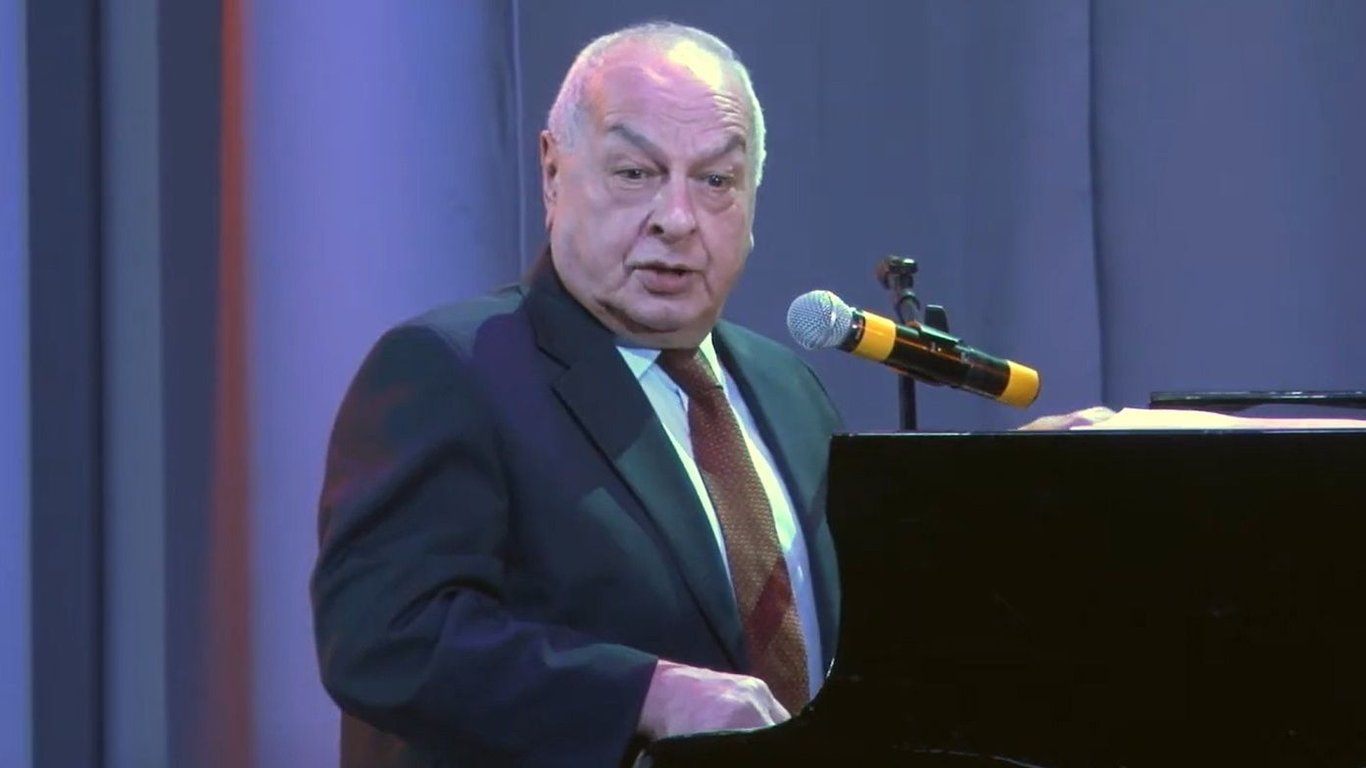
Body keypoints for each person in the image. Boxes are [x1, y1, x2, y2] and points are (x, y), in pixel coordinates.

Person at [312, 22, 842, 767]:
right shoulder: (454, 370)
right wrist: (646, 696)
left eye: (717, 181)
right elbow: (385, 638)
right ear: (553, 174)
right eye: (635, 172)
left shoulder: (789, 391)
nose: (677, 218)